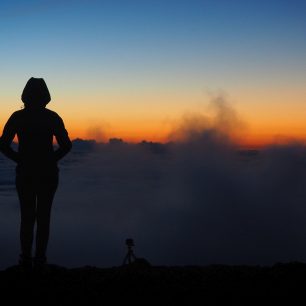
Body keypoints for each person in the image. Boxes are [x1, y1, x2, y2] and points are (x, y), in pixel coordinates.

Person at [0, 77, 72, 269]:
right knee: (43, 217)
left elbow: (2, 145)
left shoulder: (18, 117)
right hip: (48, 174)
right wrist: (50, 160)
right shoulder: (52, 117)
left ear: (25, 95)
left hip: (25, 173)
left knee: (27, 217)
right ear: (46, 96)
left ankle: (25, 259)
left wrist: (20, 160)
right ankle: (40, 259)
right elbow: (66, 146)